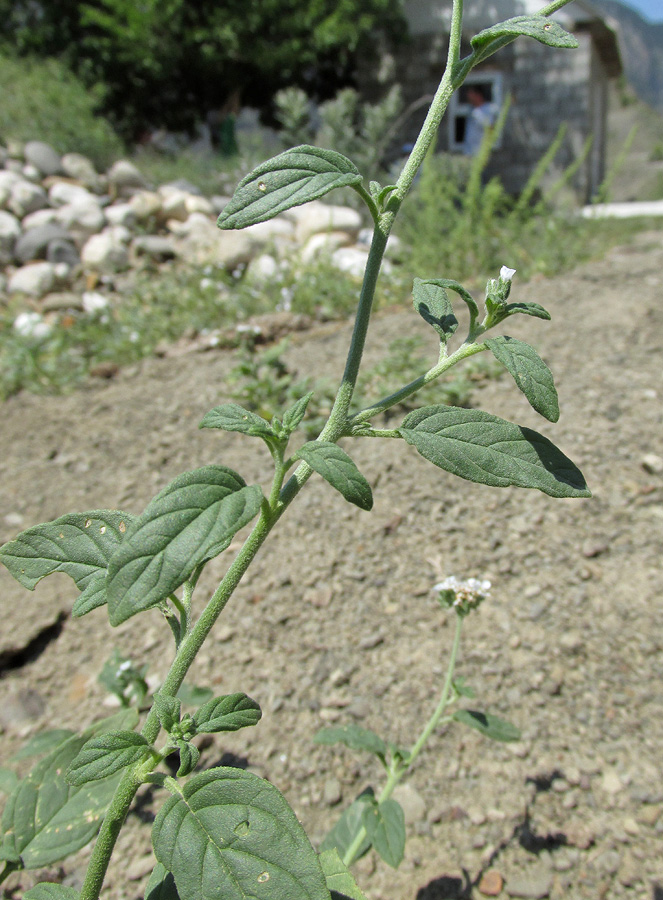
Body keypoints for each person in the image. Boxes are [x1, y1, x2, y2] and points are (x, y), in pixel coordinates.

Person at [462, 85, 496, 156]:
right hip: (468, 152)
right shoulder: (471, 109)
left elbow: (490, 128)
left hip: (480, 153)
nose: (468, 97)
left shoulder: (487, 109)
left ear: (478, 95)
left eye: (471, 94)